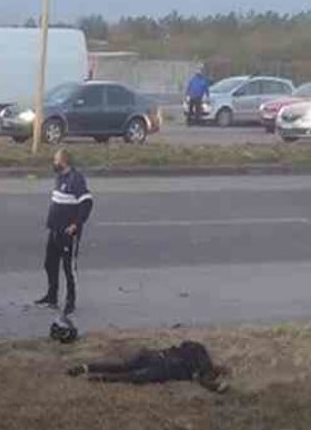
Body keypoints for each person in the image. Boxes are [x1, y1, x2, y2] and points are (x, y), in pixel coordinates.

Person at [36, 148, 94, 316]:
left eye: (56, 160)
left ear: (64, 161)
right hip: (55, 230)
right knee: (50, 264)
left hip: (68, 233)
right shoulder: (60, 177)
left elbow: (87, 203)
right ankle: (51, 296)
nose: (54, 163)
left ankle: (70, 301)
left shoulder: (76, 179)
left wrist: (76, 225)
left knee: (69, 268)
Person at [67, 341, 228, 392]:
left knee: (123, 367)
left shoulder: (199, 353)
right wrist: (218, 387)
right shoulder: (202, 366)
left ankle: (86, 367)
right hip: (162, 367)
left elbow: (185, 344)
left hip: (154, 355)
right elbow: (205, 381)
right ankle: (98, 378)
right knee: (132, 376)